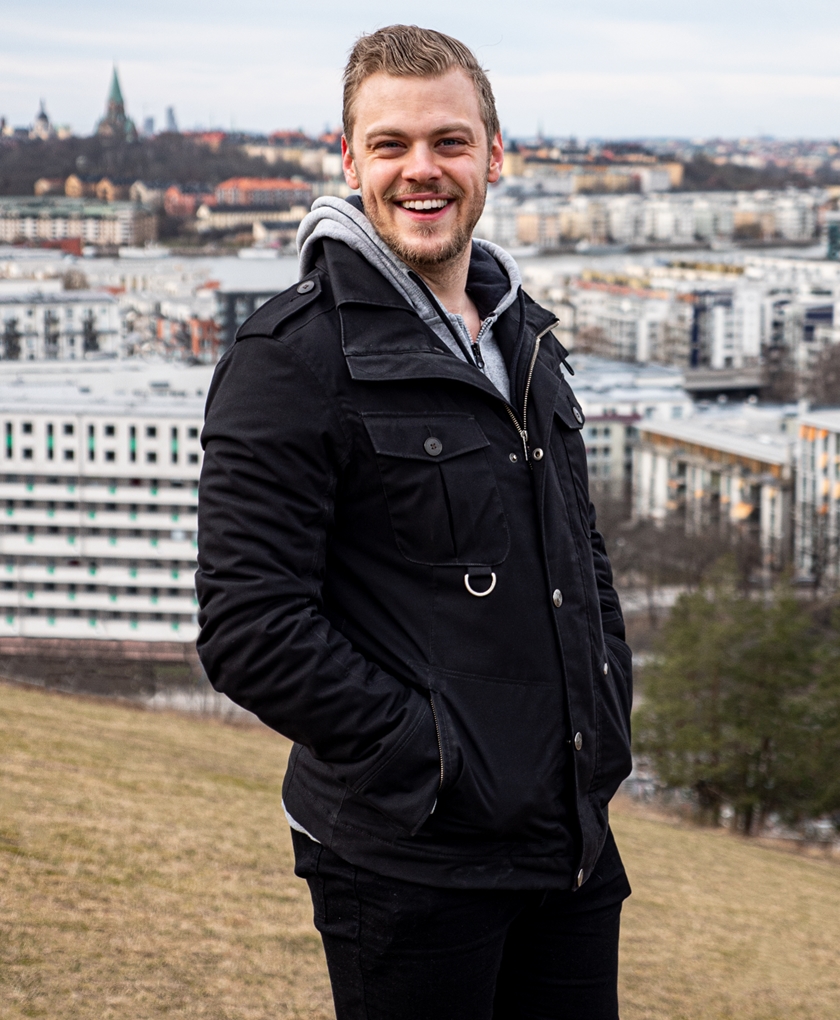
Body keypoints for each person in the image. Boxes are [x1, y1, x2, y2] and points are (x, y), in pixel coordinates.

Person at [196, 24, 633, 1020]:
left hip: (568, 841)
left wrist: (606, 709)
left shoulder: (523, 336)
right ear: (350, 163)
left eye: (449, 141)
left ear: (494, 155)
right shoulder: (291, 359)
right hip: (410, 862)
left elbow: (580, 552)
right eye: (390, 144)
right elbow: (251, 629)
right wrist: (434, 761)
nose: (421, 169)